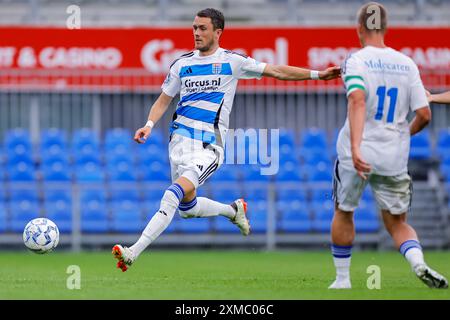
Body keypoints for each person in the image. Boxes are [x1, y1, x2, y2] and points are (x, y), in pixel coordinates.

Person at [112, 8, 341, 272]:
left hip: (208, 146)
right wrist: (149, 125)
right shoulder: (181, 64)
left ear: (218, 32)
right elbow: (163, 99)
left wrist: (318, 75)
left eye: (203, 28)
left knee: (172, 194)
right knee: (187, 207)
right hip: (178, 143)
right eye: (194, 28)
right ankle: (233, 211)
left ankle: (132, 252)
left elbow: (277, 71)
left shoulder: (233, 62)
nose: (197, 33)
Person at [329, 2, 448, 289]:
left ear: (359, 29)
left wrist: (357, 147)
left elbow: (356, 100)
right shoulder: (407, 63)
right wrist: (404, 133)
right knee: (397, 222)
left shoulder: (355, 60)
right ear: (385, 28)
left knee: (345, 210)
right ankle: (418, 262)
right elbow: (425, 114)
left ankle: (343, 279)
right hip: (394, 154)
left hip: (355, 153)